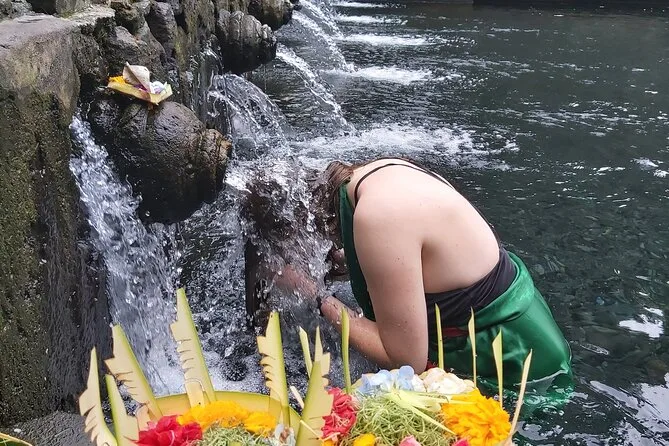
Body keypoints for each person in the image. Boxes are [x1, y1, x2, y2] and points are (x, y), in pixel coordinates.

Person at [307, 157, 572, 387]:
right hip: (533, 333)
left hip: (512, 364)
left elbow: (405, 361)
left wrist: (317, 296)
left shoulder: (376, 215)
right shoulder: (382, 172)